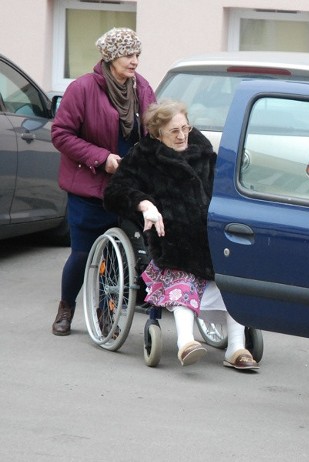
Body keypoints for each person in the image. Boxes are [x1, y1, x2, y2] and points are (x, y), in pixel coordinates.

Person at [103, 100, 260, 370]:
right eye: (173, 131)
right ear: (157, 133)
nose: (181, 135)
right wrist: (145, 204)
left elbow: (225, 188)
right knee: (183, 275)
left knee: (234, 279)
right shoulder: (144, 157)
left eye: (185, 128)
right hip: (171, 238)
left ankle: (236, 347)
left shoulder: (202, 151)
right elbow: (115, 192)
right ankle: (185, 343)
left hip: (210, 237)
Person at [51, 27, 156, 336]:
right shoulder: (82, 89)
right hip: (90, 186)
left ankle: (106, 311)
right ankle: (66, 306)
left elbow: (152, 128)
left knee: (119, 256)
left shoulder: (142, 88)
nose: (135, 61)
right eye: (128, 55)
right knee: (83, 253)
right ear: (110, 57)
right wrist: (102, 157)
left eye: (137, 54)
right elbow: (61, 134)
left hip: (126, 188)